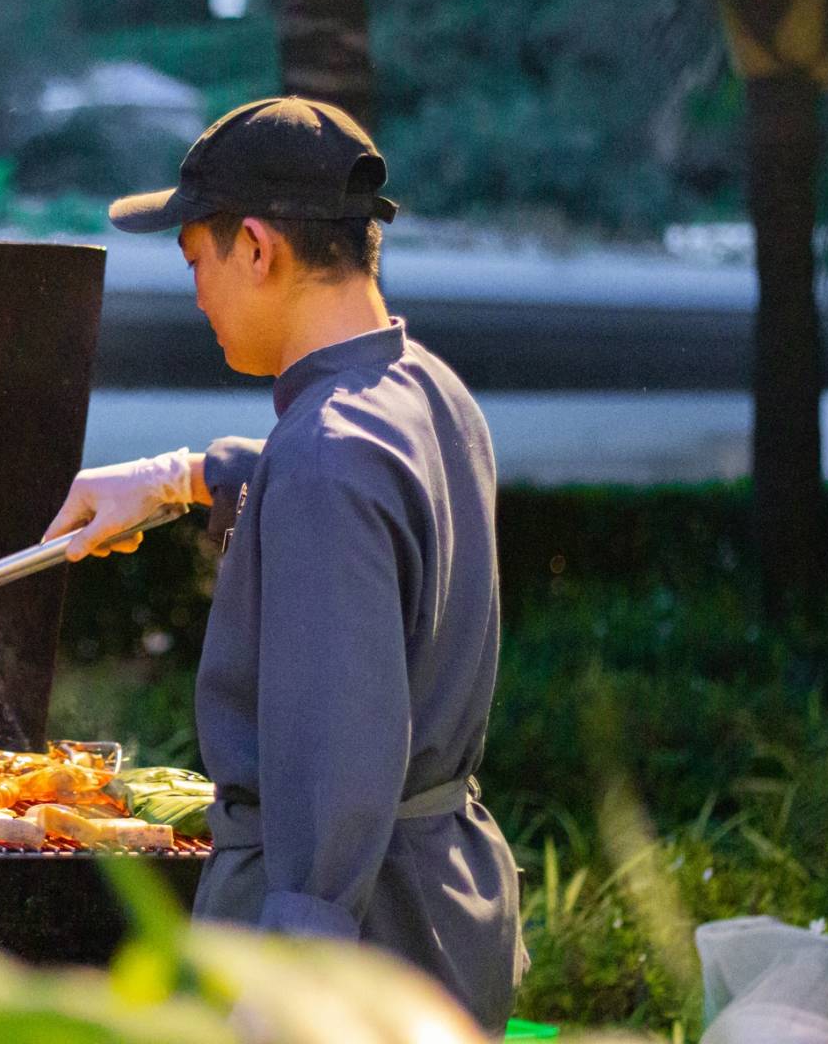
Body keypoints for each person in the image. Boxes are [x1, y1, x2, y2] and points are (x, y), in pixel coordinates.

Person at [45, 96, 524, 1031]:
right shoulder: (428, 390)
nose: (197, 299)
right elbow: (373, 504)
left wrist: (282, 989)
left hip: (354, 945)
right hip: (447, 906)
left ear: (257, 248)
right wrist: (185, 476)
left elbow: (335, 759)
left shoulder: (322, 457)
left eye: (197, 264)